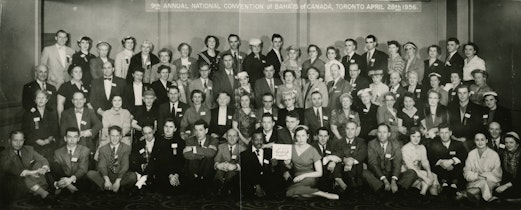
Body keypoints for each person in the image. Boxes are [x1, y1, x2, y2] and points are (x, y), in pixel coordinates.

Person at [0, 131, 55, 204]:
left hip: (31, 180)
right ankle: (43, 193)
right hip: (15, 181)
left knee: (39, 163)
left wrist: (44, 169)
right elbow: (17, 171)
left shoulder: (29, 149)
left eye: (21, 140)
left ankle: (38, 192)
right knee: (23, 177)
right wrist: (35, 172)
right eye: (15, 140)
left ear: (24, 140)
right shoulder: (3, 154)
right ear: (9, 141)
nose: (18, 143)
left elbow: (43, 160)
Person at [285, 126, 339, 200]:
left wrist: (303, 176)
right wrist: (287, 163)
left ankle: (324, 194)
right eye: (298, 136)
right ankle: (316, 194)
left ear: (307, 136)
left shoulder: (312, 150)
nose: (301, 139)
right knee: (294, 195)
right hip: (297, 176)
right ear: (295, 137)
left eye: (303, 136)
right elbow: (290, 167)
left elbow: (319, 173)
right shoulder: (291, 148)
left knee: (290, 191)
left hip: (310, 177)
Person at [362, 124, 417, 195]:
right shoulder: (371, 144)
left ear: (389, 134)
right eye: (379, 132)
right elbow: (373, 163)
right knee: (364, 173)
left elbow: (397, 163)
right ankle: (383, 190)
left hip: (392, 175)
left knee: (412, 173)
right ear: (377, 133)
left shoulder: (395, 144)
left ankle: (396, 190)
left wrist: (393, 181)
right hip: (378, 176)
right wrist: (384, 180)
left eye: (384, 132)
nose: (382, 135)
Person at [87, 126, 136, 193]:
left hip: (120, 176)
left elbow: (125, 166)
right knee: (90, 174)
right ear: (109, 136)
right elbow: (102, 166)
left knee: (133, 176)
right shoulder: (103, 149)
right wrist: (107, 180)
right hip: (106, 175)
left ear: (121, 136)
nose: (114, 138)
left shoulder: (126, 148)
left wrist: (118, 181)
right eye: (112, 136)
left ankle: (114, 187)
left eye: (117, 136)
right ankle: (108, 186)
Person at [458, 133, 502, 202]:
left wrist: (484, 177)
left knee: (483, 184)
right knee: (477, 195)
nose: (480, 142)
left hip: (490, 182)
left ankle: (465, 194)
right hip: (474, 182)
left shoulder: (494, 154)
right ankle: (489, 199)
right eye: (477, 140)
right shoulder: (471, 154)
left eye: (482, 140)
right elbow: (466, 172)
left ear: (486, 141)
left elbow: (497, 175)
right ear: (474, 141)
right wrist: (477, 176)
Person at [150, 120, 186, 194]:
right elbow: (156, 159)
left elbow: (181, 160)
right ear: (163, 128)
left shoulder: (180, 141)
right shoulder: (158, 141)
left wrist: (176, 174)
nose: (168, 129)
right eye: (166, 126)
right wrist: (170, 175)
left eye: (171, 127)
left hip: (176, 170)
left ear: (175, 129)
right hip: (163, 170)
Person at [183, 120, 218, 195]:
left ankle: (203, 187)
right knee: (193, 160)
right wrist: (204, 152)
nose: (198, 133)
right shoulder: (190, 140)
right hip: (193, 170)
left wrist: (194, 149)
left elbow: (212, 153)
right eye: (196, 130)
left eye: (200, 130)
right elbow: (186, 155)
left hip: (206, 171)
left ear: (206, 130)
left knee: (208, 159)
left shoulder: (213, 140)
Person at [427, 125, 467, 192]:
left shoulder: (458, 144)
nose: (444, 135)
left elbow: (464, 155)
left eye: (446, 132)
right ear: (439, 133)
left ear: (450, 133)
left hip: (455, 174)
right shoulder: (433, 144)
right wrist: (441, 162)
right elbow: (430, 157)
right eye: (442, 133)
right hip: (440, 174)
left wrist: (452, 161)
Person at [21, 90, 59, 161]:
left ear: (47, 100)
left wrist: (49, 139)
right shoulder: (28, 114)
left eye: (43, 98)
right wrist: (37, 140)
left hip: (49, 143)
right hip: (34, 144)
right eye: (38, 98)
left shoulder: (51, 112)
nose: (41, 100)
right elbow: (25, 130)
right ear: (35, 100)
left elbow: (55, 128)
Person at [401, 127, 440, 196]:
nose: (416, 139)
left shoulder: (421, 147)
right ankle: (423, 194)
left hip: (419, 173)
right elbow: (411, 167)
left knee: (433, 176)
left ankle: (434, 199)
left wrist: (429, 173)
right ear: (409, 136)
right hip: (408, 174)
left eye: (418, 137)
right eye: (413, 136)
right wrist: (425, 178)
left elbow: (425, 162)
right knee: (427, 180)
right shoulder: (405, 148)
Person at [51, 127, 90, 193]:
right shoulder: (58, 152)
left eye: (75, 137)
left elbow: (83, 169)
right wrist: (68, 184)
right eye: (69, 137)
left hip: (77, 178)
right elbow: (56, 170)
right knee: (54, 166)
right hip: (63, 178)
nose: (72, 140)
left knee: (86, 181)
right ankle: (68, 187)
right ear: (65, 138)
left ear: (78, 138)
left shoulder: (85, 150)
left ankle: (65, 187)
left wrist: (69, 180)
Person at [331, 122, 367, 192]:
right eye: (348, 129)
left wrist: (351, 161)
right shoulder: (339, 142)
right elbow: (336, 154)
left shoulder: (361, 141)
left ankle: (348, 185)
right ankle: (341, 183)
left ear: (356, 130)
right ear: (345, 130)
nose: (350, 132)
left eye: (352, 129)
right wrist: (345, 160)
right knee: (335, 162)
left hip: (356, 170)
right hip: (342, 170)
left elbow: (362, 154)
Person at [448, 84, 486, 151]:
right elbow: (450, 124)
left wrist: (466, 138)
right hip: (454, 139)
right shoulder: (451, 107)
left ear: (469, 94)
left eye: (464, 93)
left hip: (470, 142)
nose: (462, 95)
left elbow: (478, 128)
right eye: (460, 93)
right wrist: (453, 136)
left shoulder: (477, 109)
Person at [240, 131, 277, 198]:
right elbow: (247, 173)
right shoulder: (244, 155)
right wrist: (257, 186)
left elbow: (270, 171)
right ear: (252, 140)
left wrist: (273, 165)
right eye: (256, 140)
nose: (259, 142)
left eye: (261, 140)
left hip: (265, 181)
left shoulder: (269, 152)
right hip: (251, 181)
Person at [213, 129, 246, 195]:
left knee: (233, 172)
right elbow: (216, 160)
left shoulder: (242, 149)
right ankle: (219, 187)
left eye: (234, 136)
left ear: (237, 138)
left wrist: (235, 166)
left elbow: (243, 164)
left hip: (234, 172)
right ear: (226, 137)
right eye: (229, 136)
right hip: (222, 168)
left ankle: (227, 187)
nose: (232, 138)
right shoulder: (220, 147)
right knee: (218, 172)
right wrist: (218, 165)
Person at [129, 125, 157, 193]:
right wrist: (141, 165)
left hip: (155, 168)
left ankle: (139, 183)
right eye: (145, 133)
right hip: (143, 168)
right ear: (142, 133)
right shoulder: (140, 144)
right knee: (133, 158)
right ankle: (143, 182)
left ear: (153, 131)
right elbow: (134, 158)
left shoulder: (158, 142)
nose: (148, 136)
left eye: (150, 133)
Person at [310, 127, 338, 193]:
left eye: (325, 136)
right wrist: (328, 158)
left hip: (329, 174)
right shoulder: (312, 146)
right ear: (317, 136)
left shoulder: (332, 144)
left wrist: (333, 161)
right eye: (320, 136)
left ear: (328, 137)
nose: (323, 139)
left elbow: (338, 153)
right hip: (317, 174)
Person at [495, 132, 521, 199]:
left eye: (511, 142)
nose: (508, 145)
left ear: (517, 144)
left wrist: (506, 186)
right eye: (506, 142)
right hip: (509, 183)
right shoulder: (503, 155)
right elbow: (504, 174)